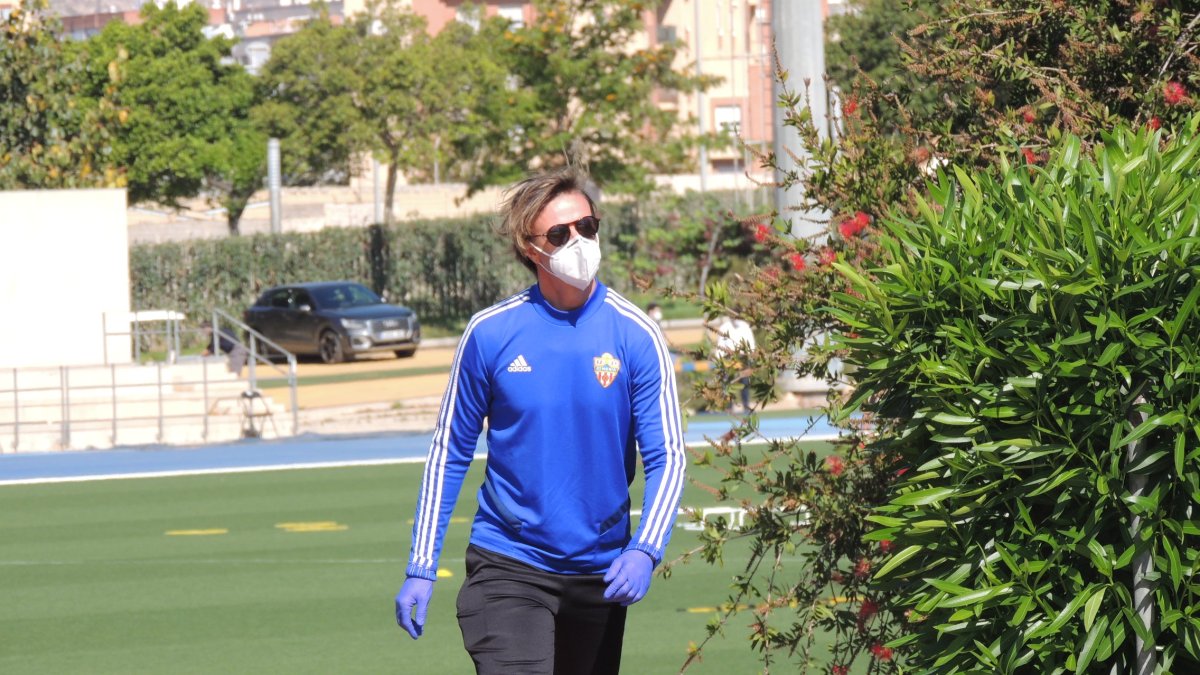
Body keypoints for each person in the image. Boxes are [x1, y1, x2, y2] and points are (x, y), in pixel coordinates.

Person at [394, 167, 686, 675]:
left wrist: (646, 549)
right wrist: (421, 565)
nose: (578, 241)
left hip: (600, 573)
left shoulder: (637, 335)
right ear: (531, 249)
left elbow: (669, 457)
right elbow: (449, 452)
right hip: (509, 564)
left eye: (587, 227)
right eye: (559, 233)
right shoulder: (490, 333)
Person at [713, 316, 756, 413]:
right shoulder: (725, 327)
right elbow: (720, 344)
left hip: (742, 357)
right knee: (728, 382)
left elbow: (751, 342)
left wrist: (751, 357)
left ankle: (745, 405)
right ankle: (728, 406)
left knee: (744, 381)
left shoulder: (745, 326)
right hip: (729, 358)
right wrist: (719, 359)